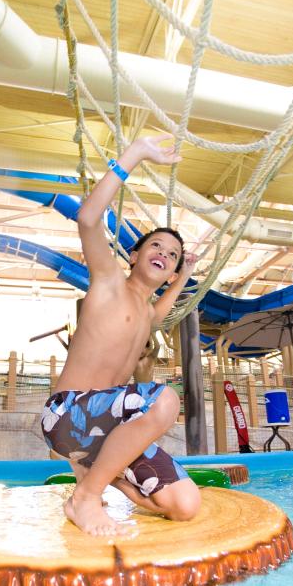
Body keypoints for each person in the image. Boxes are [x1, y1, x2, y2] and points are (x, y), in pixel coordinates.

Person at [39, 135, 201, 536]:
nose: (164, 253)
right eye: (156, 246)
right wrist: (137, 154)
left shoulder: (147, 312)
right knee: (164, 399)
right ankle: (86, 498)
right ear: (133, 255)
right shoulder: (109, 281)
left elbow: (160, 310)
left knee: (185, 506)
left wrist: (183, 277)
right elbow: (89, 219)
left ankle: (105, 476)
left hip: (110, 433)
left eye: (173, 255)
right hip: (67, 415)